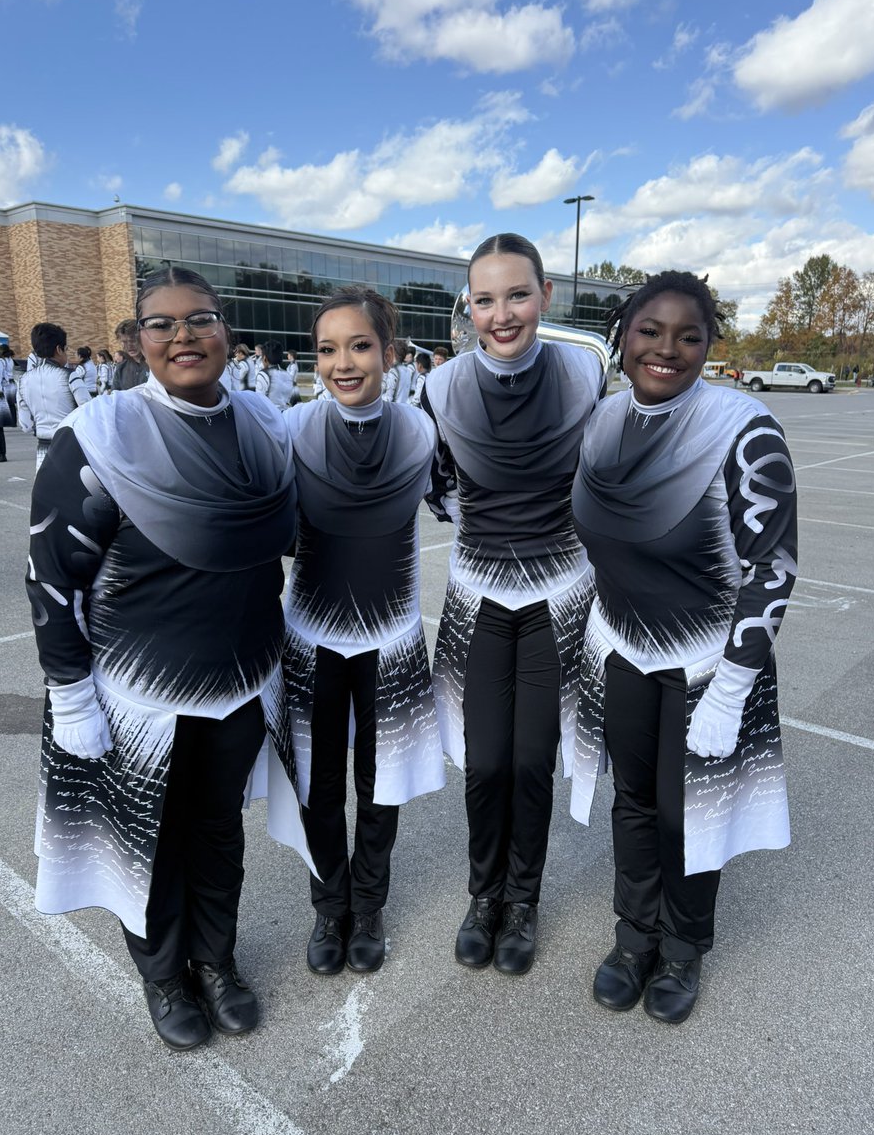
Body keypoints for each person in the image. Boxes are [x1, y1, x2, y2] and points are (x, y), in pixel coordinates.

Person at [26, 267, 312, 1051]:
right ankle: (164, 975)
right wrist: (71, 695)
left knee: (218, 833)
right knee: (148, 841)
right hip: (140, 695)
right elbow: (52, 580)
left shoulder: (266, 423)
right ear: (137, 338)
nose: (183, 336)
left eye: (202, 320)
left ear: (226, 332)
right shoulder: (99, 432)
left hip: (242, 682)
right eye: (162, 324)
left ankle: (216, 963)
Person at [571, 270, 797, 1023]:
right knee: (635, 802)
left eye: (688, 335)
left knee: (687, 812)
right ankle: (633, 937)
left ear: (709, 345)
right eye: (650, 330)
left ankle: (682, 947)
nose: (666, 349)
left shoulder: (745, 428)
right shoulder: (601, 420)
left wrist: (733, 687)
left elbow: (772, 567)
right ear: (622, 334)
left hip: (709, 663)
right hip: (624, 648)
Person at [422, 233, 606, 975]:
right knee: (485, 760)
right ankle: (483, 895)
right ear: (470, 307)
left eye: (517, 295)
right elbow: (435, 483)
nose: (502, 314)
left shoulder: (586, 376)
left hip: (561, 593)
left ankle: (521, 901)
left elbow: (606, 476)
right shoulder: (439, 387)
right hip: (478, 592)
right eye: (485, 299)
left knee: (534, 758)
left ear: (545, 296)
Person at [283, 286, 444, 977]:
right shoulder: (288, 431)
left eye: (359, 346)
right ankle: (330, 907)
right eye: (327, 349)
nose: (342, 363)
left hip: (393, 640)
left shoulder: (422, 432)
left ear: (390, 353)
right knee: (319, 784)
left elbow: (477, 506)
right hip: (310, 638)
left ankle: (369, 905)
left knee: (380, 783)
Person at [16, 323, 91, 471]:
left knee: (48, 491)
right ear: (58, 349)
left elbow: (25, 425)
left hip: (43, 450)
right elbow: (89, 412)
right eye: (66, 349)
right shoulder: (70, 376)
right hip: (72, 446)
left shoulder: (23, 381)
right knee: (77, 491)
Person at [255, 340, 296, 412]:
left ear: (264, 358)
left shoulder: (263, 374)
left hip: (270, 416)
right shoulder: (287, 374)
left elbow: (259, 401)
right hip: (286, 415)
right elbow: (296, 401)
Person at [112, 319, 148, 390]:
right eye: (124, 342)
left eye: (133, 341)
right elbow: (115, 396)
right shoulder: (121, 368)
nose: (129, 345)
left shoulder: (156, 364)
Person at [0, 344, 18, 425]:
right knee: (12, 404)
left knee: (5, 403)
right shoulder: (11, 360)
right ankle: (13, 422)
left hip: (5, 383)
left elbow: (2, 372)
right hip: (12, 382)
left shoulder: (2, 360)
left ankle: (5, 421)